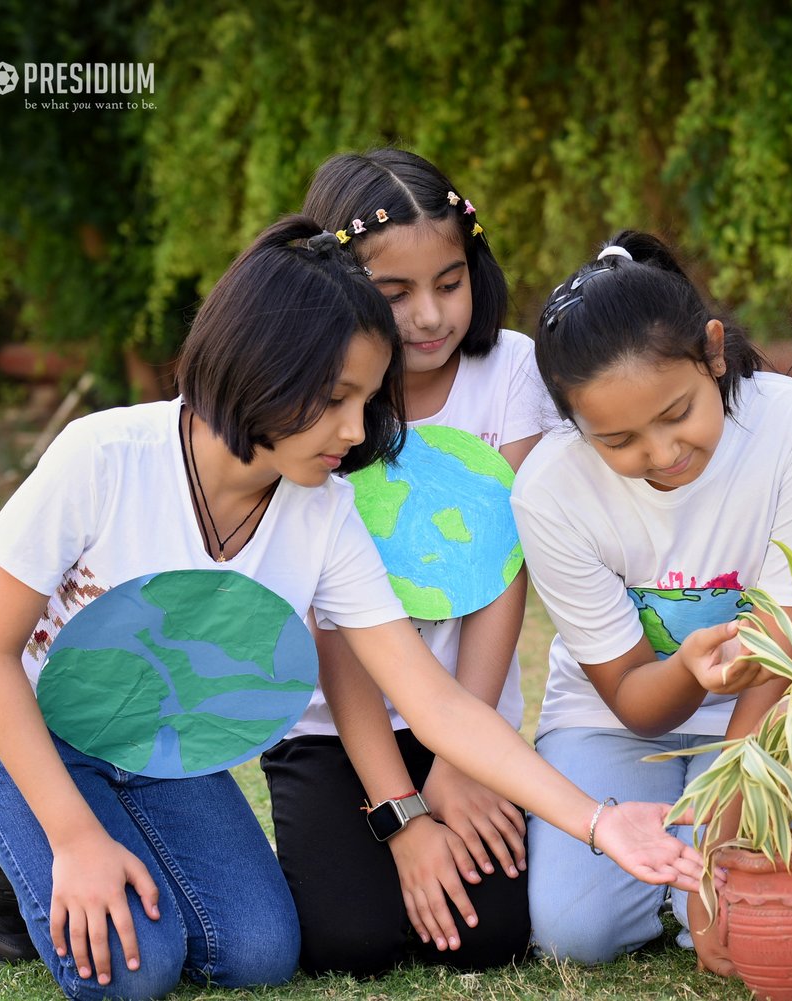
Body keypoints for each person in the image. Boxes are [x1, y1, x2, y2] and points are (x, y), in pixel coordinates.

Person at [0, 216, 701, 1000]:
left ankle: (97, 820)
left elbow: (431, 699)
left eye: (369, 400)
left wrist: (601, 823)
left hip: (152, 730)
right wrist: (72, 838)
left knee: (261, 953)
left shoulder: (324, 507)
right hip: (18, 717)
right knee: (135, 973)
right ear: (260, 368)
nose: (356, 430)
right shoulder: (101, 458)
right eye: (337, 398)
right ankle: (10, 849)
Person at [512, 231, 792, 965]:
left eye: (677, 412)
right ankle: (667, 878)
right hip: (616, 719)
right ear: (575, 425)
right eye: (620, 439)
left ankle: (687, 867)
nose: (662, 454)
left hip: (771, 708)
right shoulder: (548, 490)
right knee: (577, 935)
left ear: (714, 350)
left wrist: (724, 822)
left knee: (742, 896)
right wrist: (689, 670)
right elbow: (634, 698)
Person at [256, 149, 547, 976]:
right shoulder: (321, 395)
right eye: (395, 295)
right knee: (350, 943)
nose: (428, 316)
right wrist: (404, 815)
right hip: (334, 729)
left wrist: (462, 758)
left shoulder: (512, 372)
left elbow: (501, 573)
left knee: (490, 938)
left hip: (463, 714)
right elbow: (334, 619)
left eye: (449, 283)